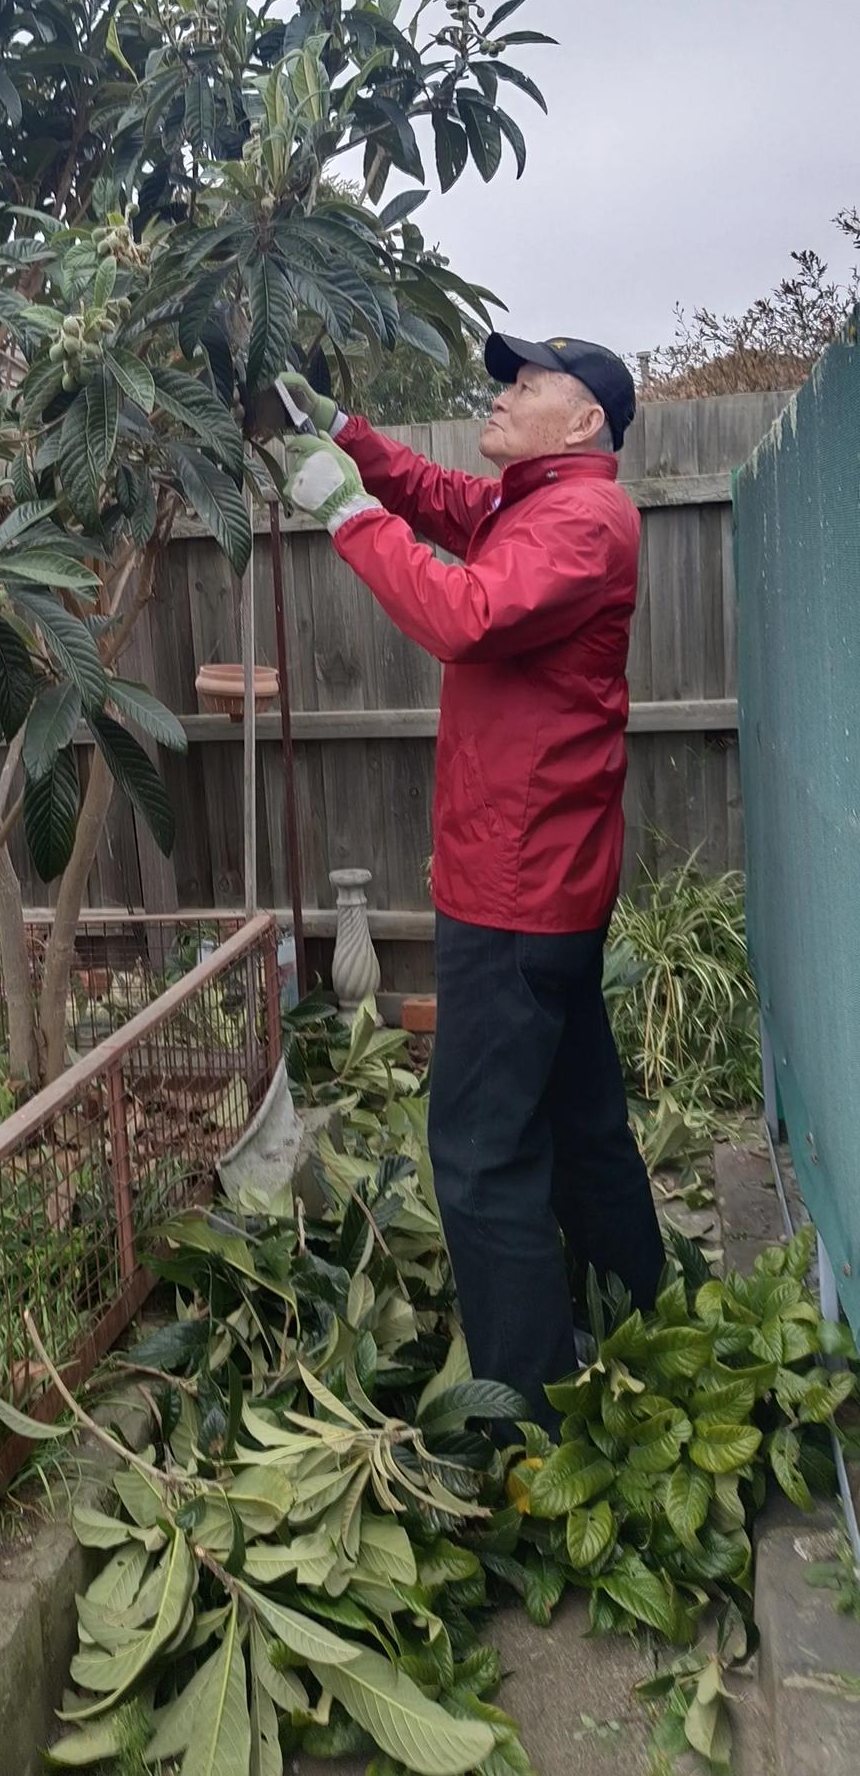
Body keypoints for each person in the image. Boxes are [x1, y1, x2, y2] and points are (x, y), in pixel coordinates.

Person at [275, 334, 665, 1426]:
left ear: (583, 419)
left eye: (524, 385)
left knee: (480, 1153)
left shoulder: (581, 522)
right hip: (547, 882)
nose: (501, 395)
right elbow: (446, 496)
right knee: (579, 1117)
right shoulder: (536, 502)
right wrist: (342, 432)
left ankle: (522, 1416)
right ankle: (640, 1313)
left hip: (514, 888)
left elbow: (464, 615)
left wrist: (346, 515)